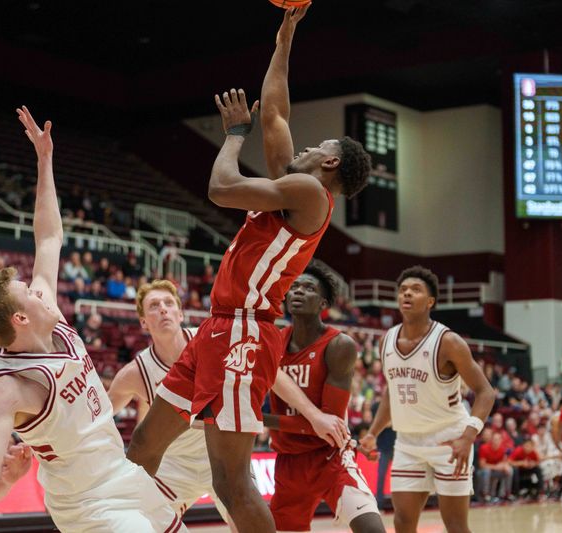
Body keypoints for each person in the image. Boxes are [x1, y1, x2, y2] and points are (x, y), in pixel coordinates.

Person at [126, 7, 370, 531]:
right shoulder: (293, 185)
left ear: (329, 165)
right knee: (143, 446)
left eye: (319, 147)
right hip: (217, 327)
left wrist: (235, 135)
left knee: (230, 481)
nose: (306, 145)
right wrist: (284, 38)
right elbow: (277, 114)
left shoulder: (308, 192)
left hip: (244, 332)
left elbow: (220, 188)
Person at [0, 106, 180, 532]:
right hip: (86, 504)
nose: (38, 289)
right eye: (28, 293)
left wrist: (44, 161)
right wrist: (6, 479)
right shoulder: (7, 388)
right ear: (19, 320)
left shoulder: (45, 314)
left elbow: (49, 236)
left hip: (123, 475)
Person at [109, 279, 342, 527]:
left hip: (222, 453)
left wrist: (314, 415)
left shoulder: (212, 337)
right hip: (175, 467)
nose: (163, 309)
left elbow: (272, 375)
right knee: (138, 521)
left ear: (181, 313)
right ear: (143, 322)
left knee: (246, 522)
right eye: (154, 305)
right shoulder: (134, 373)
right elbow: (98, 419)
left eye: (168, 303)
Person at [360, 266, 496, 533]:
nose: (407, 294)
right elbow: (392, 392)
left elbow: (486, 392)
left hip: (449, 440)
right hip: (408, 442)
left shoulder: (449, 342)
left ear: (430, 301)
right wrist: (373, 432)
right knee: (402, 522)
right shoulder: (386, 340)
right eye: (402, 290)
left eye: (415, 290)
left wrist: (468, 437)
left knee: (455, 526)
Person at [263, 266, 384, 532]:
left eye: (308, 288)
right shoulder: (272, 343)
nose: (298, 292)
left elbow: (326, 427)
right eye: (294, 287)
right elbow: (316, 422)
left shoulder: (339, 345)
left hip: (329, 457)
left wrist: (262, 419)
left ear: (324, 303)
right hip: (288, 463)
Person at [477, 431, 513, 502]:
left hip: (495, 471)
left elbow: (505, 462)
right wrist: (496, 467)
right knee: (487, 471)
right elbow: (482, 465)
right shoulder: (484, 447)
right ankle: (485, 494)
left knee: (509, 470)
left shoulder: (503, 448)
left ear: (501, 440)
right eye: (494, 439)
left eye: (498, 439)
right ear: (491, 440)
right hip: (483, 471)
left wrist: (504, 465)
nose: (496, 441)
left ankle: (507, 493)